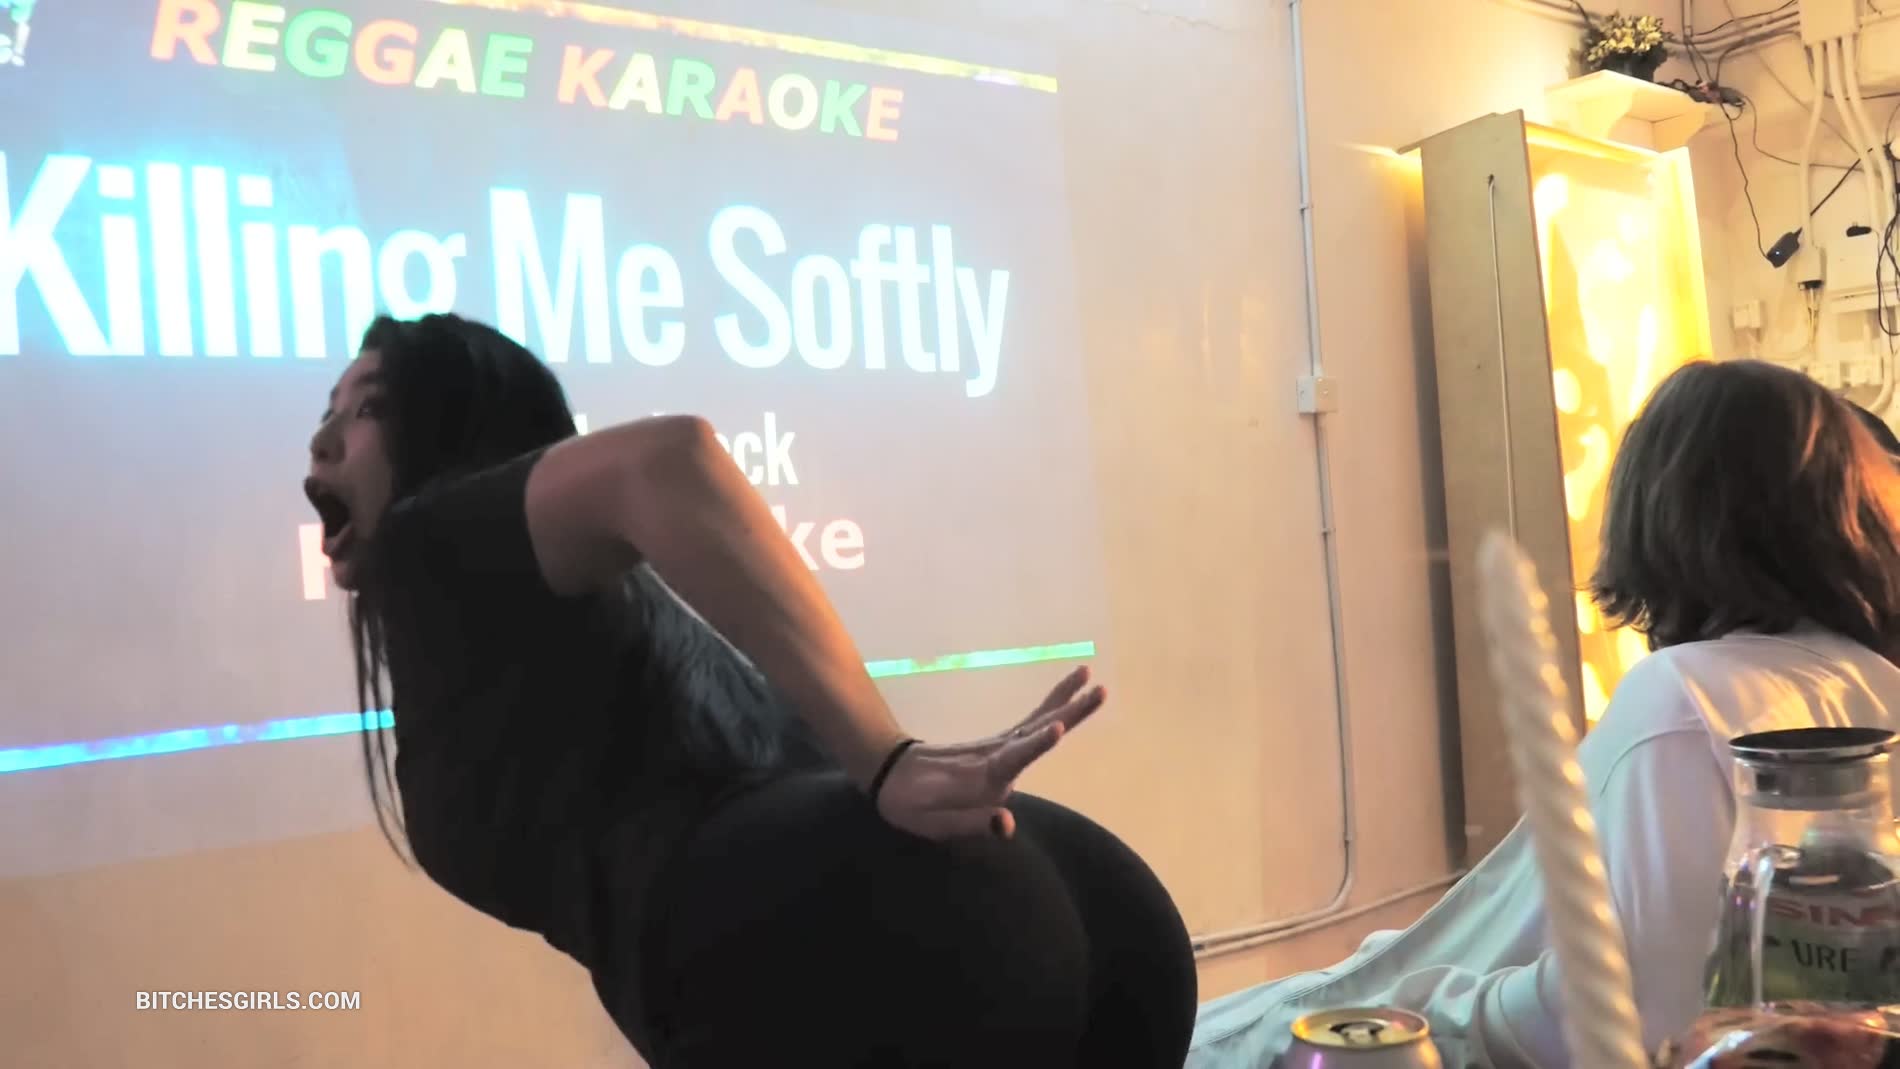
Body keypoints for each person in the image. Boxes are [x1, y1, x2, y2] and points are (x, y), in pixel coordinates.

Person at [305, 313, 1197, 1067]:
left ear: (452, 428)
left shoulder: (430, 542)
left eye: (369, 408)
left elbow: (669, 455)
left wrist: (883, 755)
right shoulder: (604, 626)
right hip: (1098, 910)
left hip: (867, 956)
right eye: (328, 410)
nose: (325, 437)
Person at [1190, 359, 1900, 1067]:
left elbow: (1634, 1021)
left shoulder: (1687, 701)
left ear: (1662, 514)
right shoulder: (1874, 691)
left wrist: (1417, 1009)